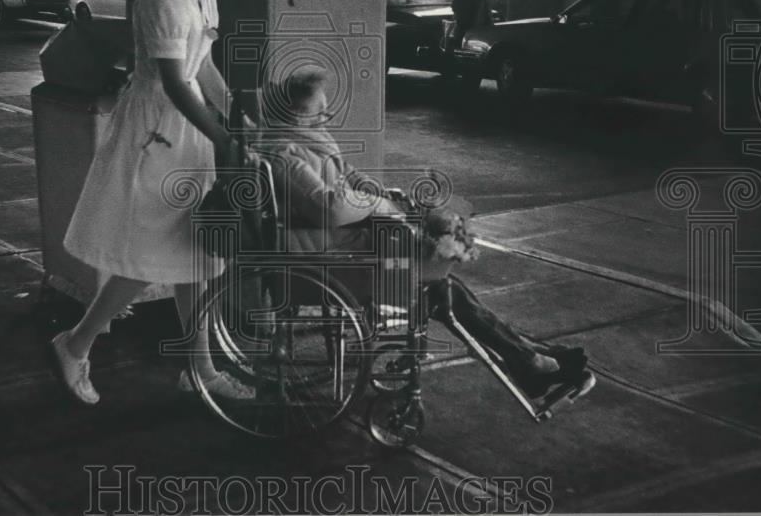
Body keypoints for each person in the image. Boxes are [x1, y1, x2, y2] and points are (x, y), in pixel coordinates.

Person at [253, 67, 592, 401]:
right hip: (331, 262)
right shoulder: (285, 154)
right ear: (293, 117)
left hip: (347, 251)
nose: (328, 115)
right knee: (436, 290)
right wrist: (376, 204)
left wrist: (381, 194)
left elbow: (348, 178)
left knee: (442, 288)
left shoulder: (307, 142)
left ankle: (528, 355)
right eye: (319, 111)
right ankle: (529, 358)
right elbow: (331, 208)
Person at [49, 0, 252, 405]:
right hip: (157, 133)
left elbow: (201, 64)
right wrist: (222, 135)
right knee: (151, 256)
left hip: (189, 131)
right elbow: (173, 81)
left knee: (194, 252)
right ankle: (76, 343)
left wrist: (237, 118)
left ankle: (200, 368)